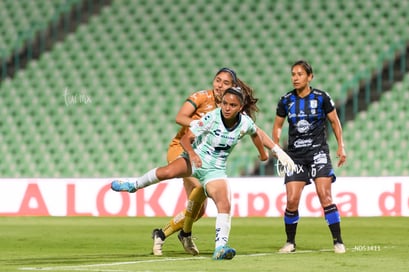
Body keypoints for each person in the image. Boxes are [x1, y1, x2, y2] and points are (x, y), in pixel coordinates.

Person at [111, 86, 269, 260]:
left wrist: (262, 153)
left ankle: (220, 248)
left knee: (224, 203)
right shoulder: (212, 117)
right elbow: (187, 138)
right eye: (224, 103)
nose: (227, 108)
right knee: (167, 172)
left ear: (240, 107)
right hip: (194, 160)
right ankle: (134, 185)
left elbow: (255, 134)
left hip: (214, 170)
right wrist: (193, 155)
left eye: (232, 105)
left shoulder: (245, 122)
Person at [150, 68, 294, 256]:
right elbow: (180, 118)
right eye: (218, 80)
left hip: (204, 157)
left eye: (226, 83)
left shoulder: (231, 105)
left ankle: (164, 233)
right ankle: (182, 233)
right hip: (183, 149)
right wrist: (203, 123)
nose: (220, 85)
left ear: (233, 87)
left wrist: (266, 152)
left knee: (200, 210)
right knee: (199, 191)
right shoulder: (202, 97)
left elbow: (255, 132)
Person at [272, 60, 347, 254]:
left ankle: (338, 241)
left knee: (325, 195)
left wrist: (341, 146)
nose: (295, 78)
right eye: (293, 74)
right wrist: (277, 147)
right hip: (295, 157)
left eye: (300, 74)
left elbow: (334, 121)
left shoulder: (322, 97)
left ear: (310, 77)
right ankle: (290, 243)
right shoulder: (286, 100)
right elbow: (278, 125)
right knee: (291, 200)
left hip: (318, 153)